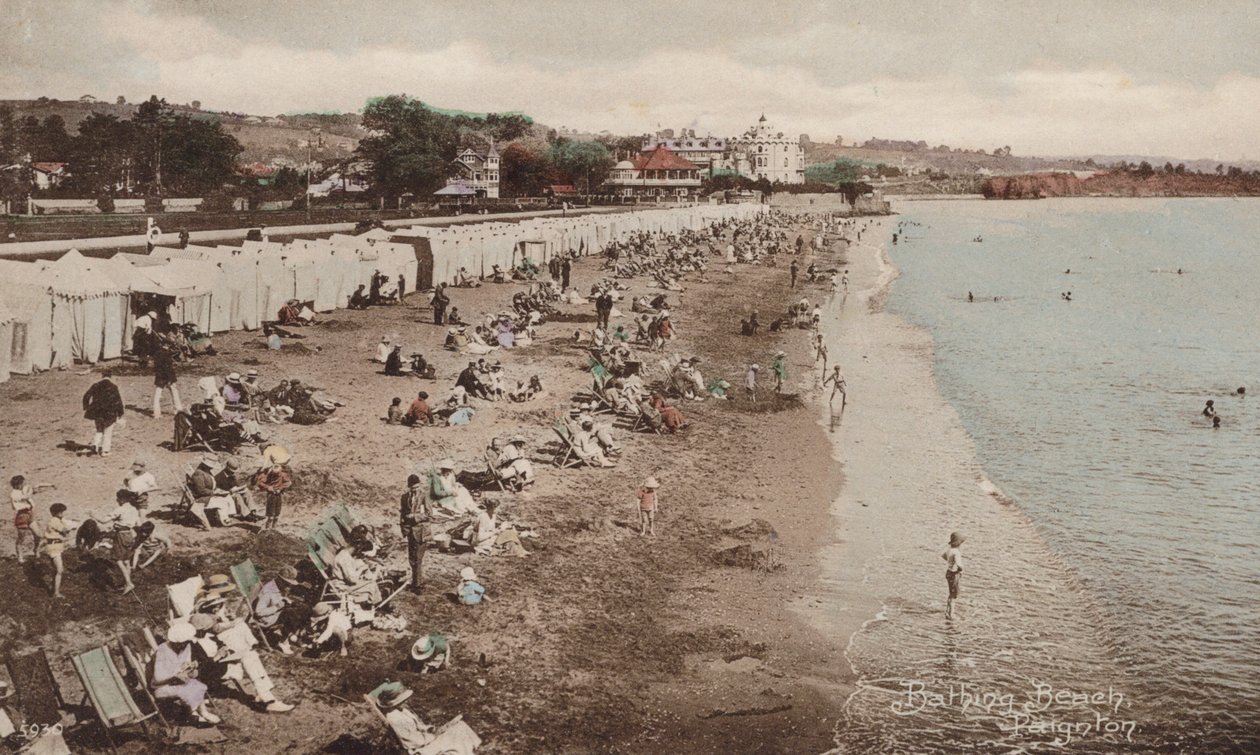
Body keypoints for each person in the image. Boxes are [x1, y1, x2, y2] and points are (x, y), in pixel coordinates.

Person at [153, 621, 221, 725]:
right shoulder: (163, 650)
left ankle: (204, 712)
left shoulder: (186, 646)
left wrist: (190, 666)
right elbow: (158, 677)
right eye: (183, 643)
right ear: (176, 642)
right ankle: (193, 714)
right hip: (163, 685)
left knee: (199, 686)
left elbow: (185, 663)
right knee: (186, 690)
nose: (185, 645)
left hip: (179, 681)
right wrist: (174, 676)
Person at [94, 490, 141, 594]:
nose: (117, 501)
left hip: (121, 535)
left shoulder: (120, 510)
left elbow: (103, 521)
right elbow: (138, 523)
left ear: (122, 499)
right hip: (129, 535)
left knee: (118, 560)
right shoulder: (134, 509)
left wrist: (93, 515)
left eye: (118, 499)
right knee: (126, 561)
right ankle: (126, 584)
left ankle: (129, 583)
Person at [332, 525, 383, 606]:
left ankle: (376, 604)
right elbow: (353, 580)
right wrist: (362, 569)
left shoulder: (345, 554)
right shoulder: (345, 558)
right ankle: (376, 606)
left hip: (345, 583)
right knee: (371, 585)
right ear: (357, 546)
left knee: (368, 580)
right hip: (342, 587)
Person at [399, 474, 432, 592]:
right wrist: (404, 528)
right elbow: (402, 514)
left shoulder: (424, 495)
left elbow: (429, 515)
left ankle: (417, 585)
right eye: (412, 488)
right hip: (410, 531)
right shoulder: (404, 497)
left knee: (418, 558)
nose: (415, 490)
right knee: (412, 558)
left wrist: (414, 516)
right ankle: (416, 581)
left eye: (416, 488)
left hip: (421, 531)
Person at [83, 371, 125, 457]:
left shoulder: (96, 385)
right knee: (108, 431)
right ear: (111, 376)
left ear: (102, 376)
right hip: (109, 413)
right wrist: (120, 413)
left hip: (97, 412)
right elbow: (118, 401)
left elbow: (86, 396)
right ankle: (105, 451)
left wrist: (87, 407)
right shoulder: (113, 387)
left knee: (99, 429)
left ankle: (95, 444)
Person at [43, 503, 78, 599]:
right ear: (54, 513)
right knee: (59, 569)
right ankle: (56, 593)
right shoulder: (55, 521)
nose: (62, 514)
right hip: (54, 547)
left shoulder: (55, 520)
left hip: (54, 546)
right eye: (60, 512)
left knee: (55, 570)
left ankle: (54, 589)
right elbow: (64, 530)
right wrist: (72, 526)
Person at [9, 475, 39, 562]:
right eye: (23, 483)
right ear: (18, 484)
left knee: (38, 534)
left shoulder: (23, 490)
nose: (24, 484)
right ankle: (20, 557)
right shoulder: (14, 494)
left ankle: (36, 549)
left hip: (30, 514)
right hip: (21, 516)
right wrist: (31, 490)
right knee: (21, 538)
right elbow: (26, 497)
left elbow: (32, 491)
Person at [255, 462, 292, 531]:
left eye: (277, 474)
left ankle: (274, 528)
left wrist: (280, 488)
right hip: (271, 495)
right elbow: (260, 482)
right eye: (275, 474)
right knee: (270, 515)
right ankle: (268, 528)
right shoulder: (268, 474)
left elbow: (288, 482)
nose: (276, 475)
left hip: (278, 494)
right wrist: (268, 487)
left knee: (277, 514)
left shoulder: (282, 475)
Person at [152, 341, 183, 419]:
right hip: (168, 376)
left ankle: (156, 413)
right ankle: (178, 410)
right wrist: (169, 378)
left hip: (159, 376)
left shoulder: (157, 353)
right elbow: (167, 368)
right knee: (174, 392)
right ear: (167, 345)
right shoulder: (166, 354)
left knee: (157, 395)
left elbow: (156, 367)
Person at [943, 531, 965, 619]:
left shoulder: (949, 550)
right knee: (954, 595)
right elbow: (959, 565)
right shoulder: (956, 552)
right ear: (958, 543)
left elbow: (944, 556)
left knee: (950, 593)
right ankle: (951, 614)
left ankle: (947, 611)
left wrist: (950, 562)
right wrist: (961, 570)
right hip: (954, 574)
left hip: (948, 572)